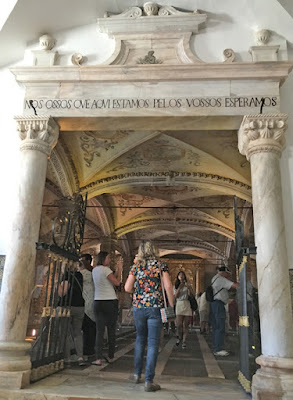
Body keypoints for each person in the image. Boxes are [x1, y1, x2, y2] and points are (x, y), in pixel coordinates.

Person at [125, 241, 174, 392]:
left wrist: (139, 294)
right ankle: (149, 381)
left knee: (140, 339)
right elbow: (168, 286)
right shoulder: (160, 265)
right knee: (153, 343)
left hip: (138, 308)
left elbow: (127, 288)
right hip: (155, 307)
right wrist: (171, 306)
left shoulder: (136, 267)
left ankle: (136, 374)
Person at [92, 251, 121, 366]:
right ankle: (110, 356)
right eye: (108, 258)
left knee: (99, 331)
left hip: (97, 301)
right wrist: (119, 270)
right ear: (103, 259)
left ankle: (98, 358)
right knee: (111, 330)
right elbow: (117, 283)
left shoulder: (94, 270)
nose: (109, 260)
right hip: (109, 301)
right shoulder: (106, 270)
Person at [58, 265, 85, 366]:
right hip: (80, 306)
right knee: (77, 332)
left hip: (67, 306)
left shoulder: (67, 276)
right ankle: (80, 356)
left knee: (65, 333)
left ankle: (67, 358)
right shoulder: (79, 275)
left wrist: (56, 282)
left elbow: (62, 293)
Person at [209, 266, 239, 356]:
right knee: (220, 326)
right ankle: (218, 348)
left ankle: (216, 347)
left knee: (216, 327)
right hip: (218, 304)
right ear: (224, 272)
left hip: (214, 304)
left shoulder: (214, 278)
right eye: (228, 274)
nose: (228, 276)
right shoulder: (221, 279)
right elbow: (234, 285)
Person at [79, 253, 96, 359]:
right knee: (90, 327)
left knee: (85, 326)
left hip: (84, 301)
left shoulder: (81, 274)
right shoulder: (93, 273)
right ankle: (89, 349)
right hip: (92, 300)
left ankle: (85, 349)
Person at [174, 270, 194, 349]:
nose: (181, 277)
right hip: (179, 304)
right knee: (179, 324)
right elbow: (175, 296)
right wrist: (179, 288)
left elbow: (193, 294)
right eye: (180, 275)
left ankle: (184, 341)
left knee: (186, 324)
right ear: (178, 277)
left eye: (183, 275)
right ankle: (179, 337)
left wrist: (189, 287)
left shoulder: (187, 285)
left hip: (186, 304)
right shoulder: (175, 285)